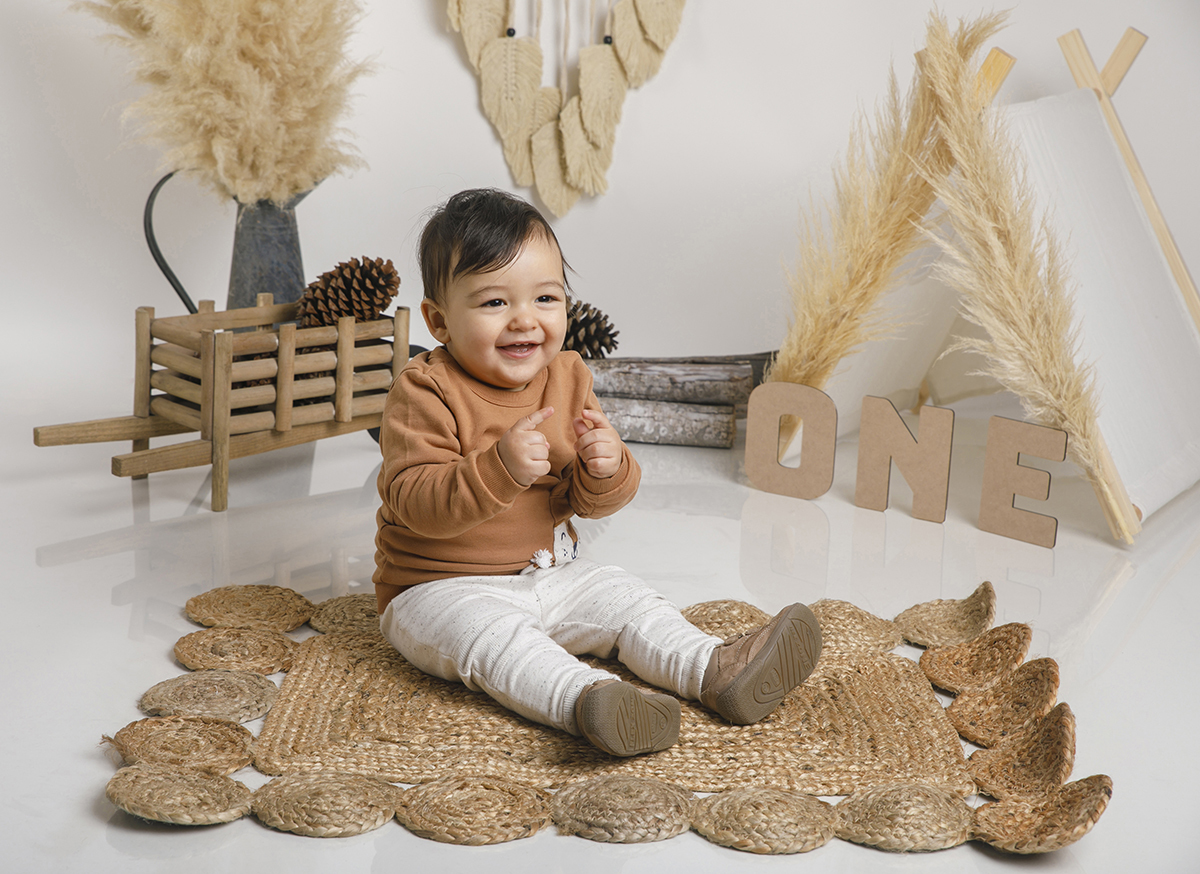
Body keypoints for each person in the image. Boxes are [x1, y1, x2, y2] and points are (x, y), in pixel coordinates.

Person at [374, 188, 821, 757]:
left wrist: (605, 467)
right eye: (494, 303)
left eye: (545, 297)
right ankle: (588, 700)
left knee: (625, 597)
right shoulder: (424, 390)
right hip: (439, 587)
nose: (524, 320)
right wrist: (498, 468)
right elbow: (415, 500)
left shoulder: (567, 377)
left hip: (554, 571)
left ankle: (712, 667)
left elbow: (594, 502)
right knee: (497, 642)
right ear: (439, 321)